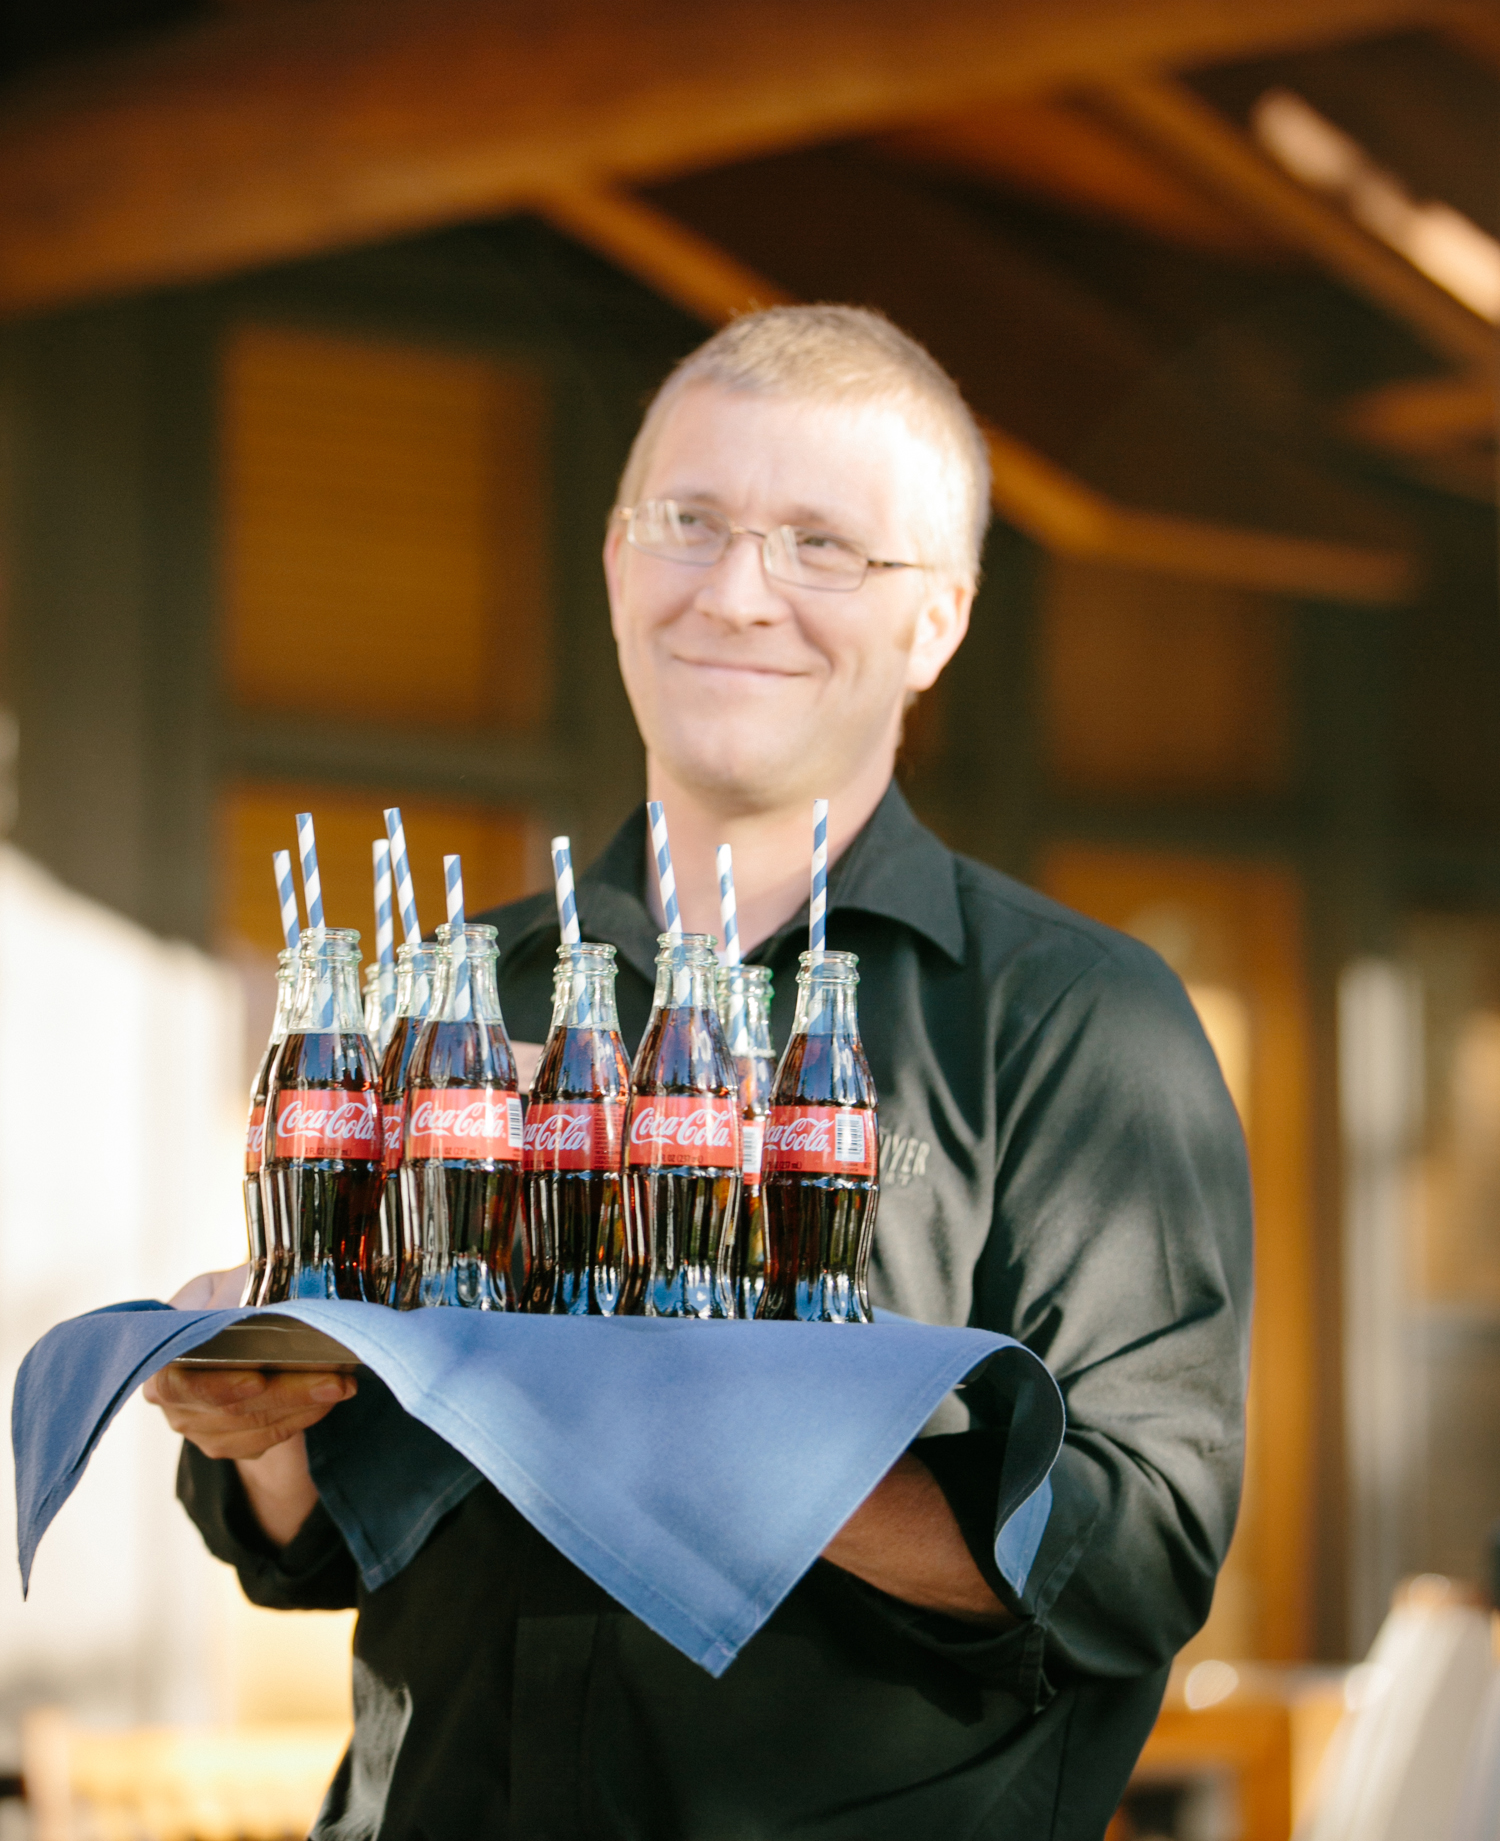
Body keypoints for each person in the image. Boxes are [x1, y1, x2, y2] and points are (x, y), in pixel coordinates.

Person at [148, 305, 1251, 1840]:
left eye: (822, 545)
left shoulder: (1078, 1021)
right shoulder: (443, 1002)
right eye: (691, 522)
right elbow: (319, 1541)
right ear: (614, 560)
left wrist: (679, 1398)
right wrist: (266, 1410)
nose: (738, 591)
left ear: (936, 618)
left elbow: (1133, 1559)